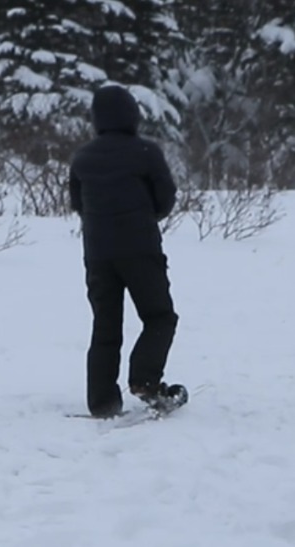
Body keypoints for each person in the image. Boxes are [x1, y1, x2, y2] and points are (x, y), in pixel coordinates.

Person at [68, 84, 186, 418]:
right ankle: (145, 380)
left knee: (105, 326)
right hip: (140, 249)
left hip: (97, 252)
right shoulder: (145, 152)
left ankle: (102, 401)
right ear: (132, 115)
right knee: (159, 315)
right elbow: (164, 198)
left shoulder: (82, 157)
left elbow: (78, 203)